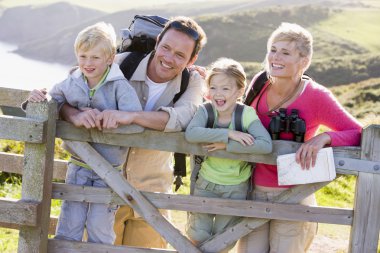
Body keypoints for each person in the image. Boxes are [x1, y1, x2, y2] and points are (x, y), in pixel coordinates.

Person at [57, 16, 207, 248]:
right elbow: (72, 85)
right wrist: (72, 114)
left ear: (192, 59)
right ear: (158, 42)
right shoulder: (121, 63)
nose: (168, 58)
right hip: (104, 185)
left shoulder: (192, 81)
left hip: (152, 192)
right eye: (166, 47)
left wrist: (132, 116)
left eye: (180, 55)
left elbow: (183, 117)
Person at [237, 23, 362, 253]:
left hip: (295, 195)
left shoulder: (316, 96)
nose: (275, 57)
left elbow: (358, 132)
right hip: (252, 192)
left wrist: (325, 138)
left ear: (304, 61)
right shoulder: (259, 83)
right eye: (273, 49)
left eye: (285, 52)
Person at [25, 22, 143, 244]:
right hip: (78, 166)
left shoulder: (120, 88)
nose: (88, 63)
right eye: (83, 56)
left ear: (110, 59)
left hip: (109, 172)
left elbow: (137, 124)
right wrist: (39, 97)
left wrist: (115, 118)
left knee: (100, 229)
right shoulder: (71, 82)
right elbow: (54, 100)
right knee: (69, 224)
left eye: (95, 58)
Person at [185, 58, 272, 250]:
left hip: (236, 188)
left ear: (239, 91)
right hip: (205, 182)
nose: (218, 94)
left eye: (225, 88)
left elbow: (265, 145)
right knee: (197, 235)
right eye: (213, 87)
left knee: (224, 240)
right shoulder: (206, 110)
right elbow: (192, 133)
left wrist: (227, 146)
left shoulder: (246, 114)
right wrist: (228, 134)